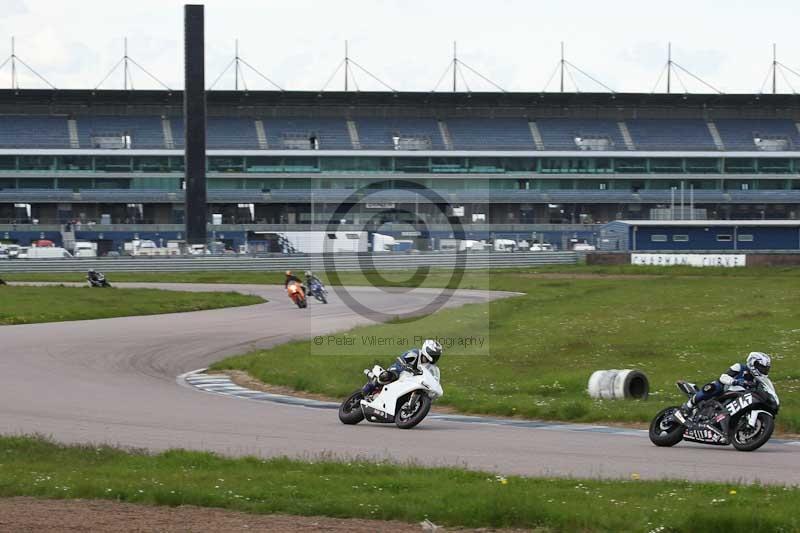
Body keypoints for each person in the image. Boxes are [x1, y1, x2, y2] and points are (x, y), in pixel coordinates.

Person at [681, 352, 772, 415]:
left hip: (740, 397)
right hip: (726, 389)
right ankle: (689, 405)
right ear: (753, 363)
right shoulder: (740, 367)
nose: (763, 370)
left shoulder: (757, 380)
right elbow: (723, 377)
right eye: (761, 367)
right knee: (713, 387)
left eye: (765, 369)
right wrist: (735, 381)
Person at [362, 339, 443, 397]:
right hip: (399, 370)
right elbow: (401, 359)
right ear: (427, 350)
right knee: (389, 376)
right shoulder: (415, 353)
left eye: (437, 355)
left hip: (410, 380)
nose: (435, 357)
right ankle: (371, 385)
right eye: (434, 354)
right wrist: (406, 366)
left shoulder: (430, 366)